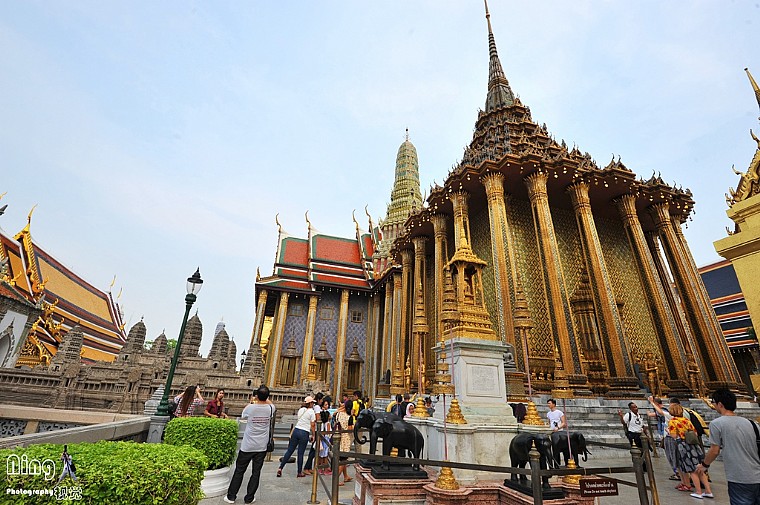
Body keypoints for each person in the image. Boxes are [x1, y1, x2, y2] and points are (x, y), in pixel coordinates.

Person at [696, 388, 760, 504]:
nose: (713, 405)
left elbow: (714, 450)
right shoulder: (752, 423)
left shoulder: (717, 424)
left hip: (739, 476)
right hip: (757, 474)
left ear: (720, 404)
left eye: (713, 402)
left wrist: (704, 465)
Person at [224, 386, 275, 504]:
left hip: (248, 445)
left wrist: (254, 400)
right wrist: (264, 398)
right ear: (268, 396)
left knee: (239, 471)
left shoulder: (250, 408)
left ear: (257, 396)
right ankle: (249, 498)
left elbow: (243, 415)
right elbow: (270, 403)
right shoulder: (270, 408)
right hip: (261, 446)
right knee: (256, 473)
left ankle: (231, 496)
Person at [668, 403, 712, 498]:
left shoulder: (673, 421)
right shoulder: (686, 420)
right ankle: (708, 491)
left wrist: (669, 432)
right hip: (694, 446)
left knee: (692, 470)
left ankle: (698, 492)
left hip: (683, 446)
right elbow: (694, 432)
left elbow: (674, 435)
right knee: (700, 469)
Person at [276, 396, 316, 478]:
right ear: (310, 403)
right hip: (304, 432)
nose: (313, 404)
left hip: (296, 431)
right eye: (312, 403)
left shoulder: (301, 410)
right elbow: (312, 425)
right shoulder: (311, 412)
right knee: (300, 453)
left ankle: (280, 468)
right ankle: (299, 472)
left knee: (290, 451)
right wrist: (313, 434)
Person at [648, 396, 679, 481]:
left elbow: (660, 412)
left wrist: (652, 402)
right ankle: (678, 473)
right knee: (673, 456)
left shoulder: (669, 415)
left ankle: (677, 472)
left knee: (672, 456)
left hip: (671, 437)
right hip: (674, 437)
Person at [303, 393, 324, 475]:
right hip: (317, 430)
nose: (322, 401)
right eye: (321, 399)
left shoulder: (315, 407)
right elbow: (318, 418)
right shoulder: (317, 407)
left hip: (316, 430)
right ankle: (306, 467)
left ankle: (309, 467)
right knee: (314, 450)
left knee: (314, 450)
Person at [333, 401, 353, 486]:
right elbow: (350, 429)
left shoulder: (339, 414)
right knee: (343, 459)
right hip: (345, 438)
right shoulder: (349, 417)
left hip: (338, 436)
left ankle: (345, 476)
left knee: (343, 458)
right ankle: (336, 479)